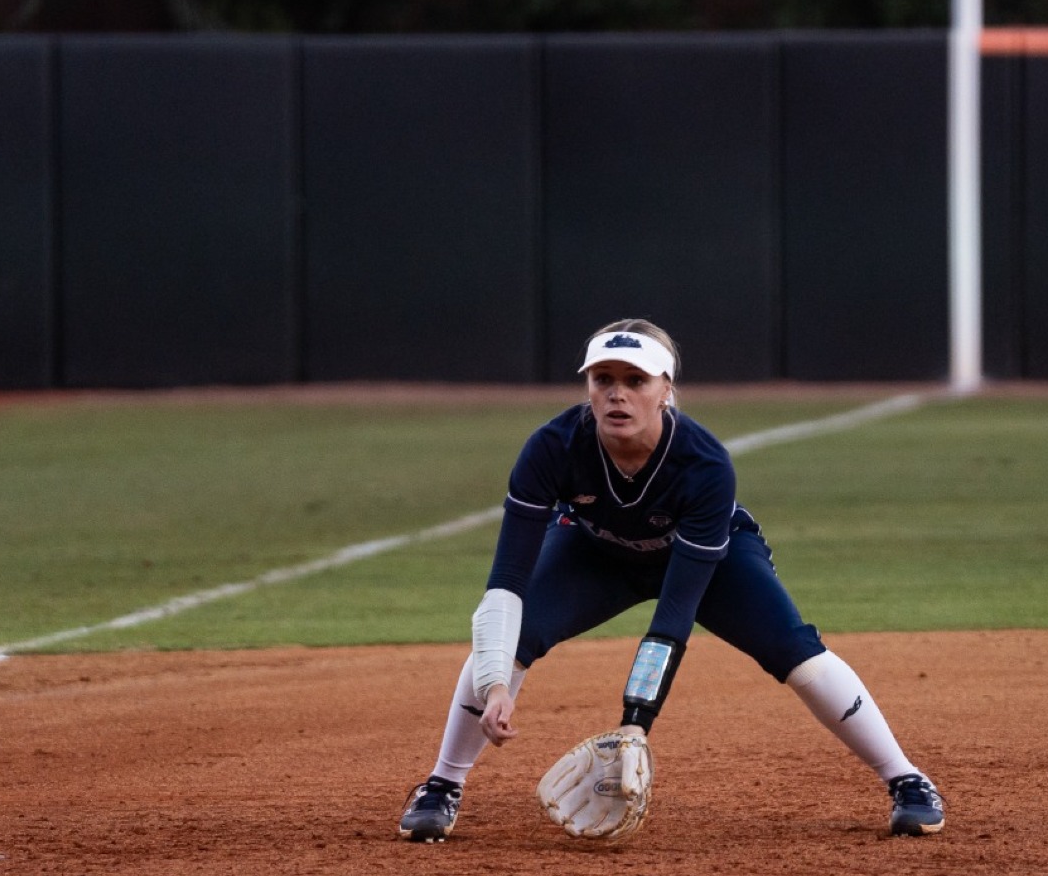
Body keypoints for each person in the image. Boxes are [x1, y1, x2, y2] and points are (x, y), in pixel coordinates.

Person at [398, 318, 944, 842]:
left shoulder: (703, 464)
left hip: (709, 559)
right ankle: (442, 784)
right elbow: (507, 581)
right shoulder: (552, 447)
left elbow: (675, 615)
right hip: (595, 551)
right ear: (587, 387)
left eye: (635, 381)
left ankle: (905, 778)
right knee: (506, 643)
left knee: (793, 649)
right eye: (603, 380)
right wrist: (495, 682)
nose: (618, 395)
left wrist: (637, 720)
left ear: (665, 390)